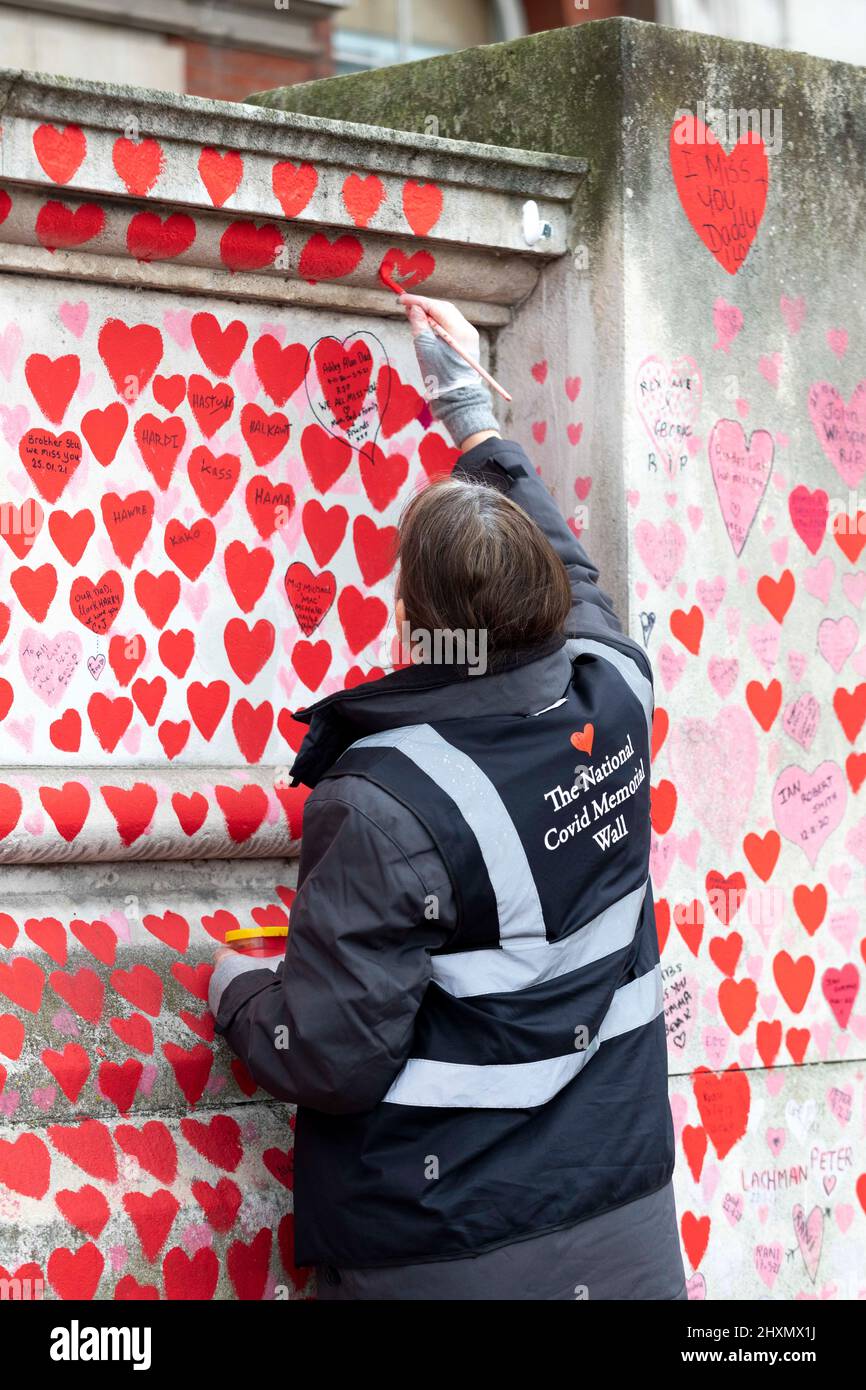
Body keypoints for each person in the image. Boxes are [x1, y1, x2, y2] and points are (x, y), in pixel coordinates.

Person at [209, 293, 687, 1301]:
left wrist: (233, 992)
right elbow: (567, 564)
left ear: (415, 618)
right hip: (624, 1224)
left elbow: (331, 1052)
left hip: (450, 1254)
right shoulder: (617, 687)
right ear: (548, 603)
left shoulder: (384, 799)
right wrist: (468, 408)